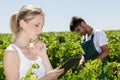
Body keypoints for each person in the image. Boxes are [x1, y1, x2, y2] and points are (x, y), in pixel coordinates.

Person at [3, 5, 64, 80]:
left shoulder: (36, 49)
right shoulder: (12, 53)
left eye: (42, 26)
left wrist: (44, 55)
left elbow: (52, 78)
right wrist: (46, 78)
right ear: (22, 23)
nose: (40, 30)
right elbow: (48, 77)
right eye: (37, 25)